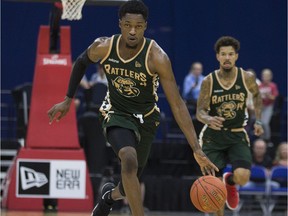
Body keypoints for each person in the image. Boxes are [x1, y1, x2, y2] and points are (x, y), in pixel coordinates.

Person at [47, 1, 218, 216]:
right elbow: (81, 62)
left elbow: (177, 104)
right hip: (116, 112)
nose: (133, 31)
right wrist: (67, 99)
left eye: (138, 26)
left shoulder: (157, 57)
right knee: (128, 158)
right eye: (128, 25)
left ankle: (108, 196)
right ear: (120, 24)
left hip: (146, 119)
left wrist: (197, 149)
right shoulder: (105, 46)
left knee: (130, 181)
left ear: (145, 26)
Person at [196, 36, 264, 216]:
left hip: (236, 134)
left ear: (236, 57)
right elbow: (199, 112)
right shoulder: (208, 81)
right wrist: (208, 119)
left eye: (230, 54)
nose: (227, 57)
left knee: (243, 177)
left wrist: (258, 120)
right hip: (213, 137)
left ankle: (231, 181)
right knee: (215, 188)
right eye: (223, 54)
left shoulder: (247, 77)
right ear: (217, 56)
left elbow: (257, 96)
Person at [259, 68, 279, 142]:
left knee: (265, 123)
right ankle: (261, 139)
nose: (265, 78)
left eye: (267, 76)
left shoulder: (272, 86)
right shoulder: (259, 86)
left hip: (268, 107)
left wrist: (268, 95)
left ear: (270, 77)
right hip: (261, 107)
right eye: (264, 76)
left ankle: (267, 139)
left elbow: (274, 97)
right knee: (260, 123)